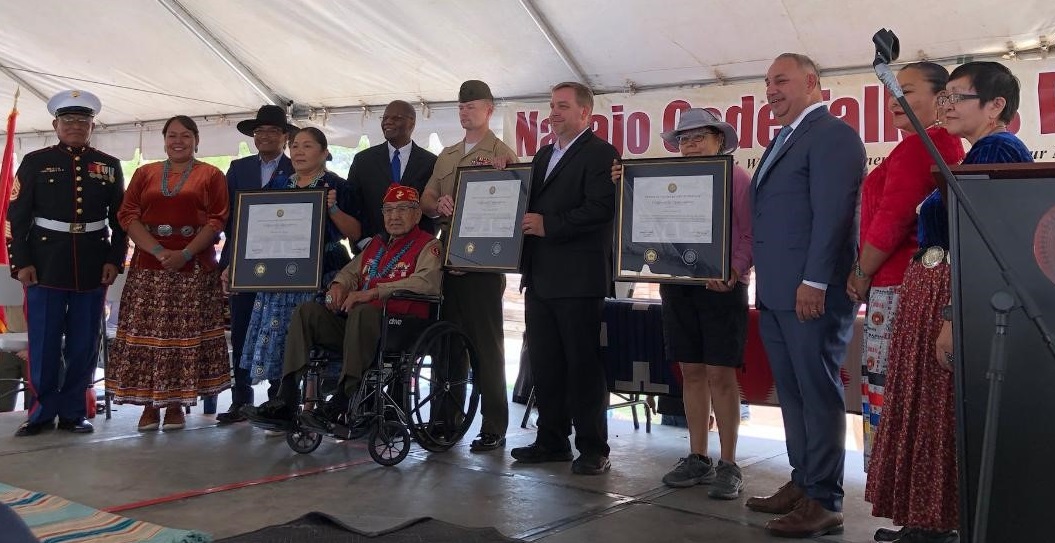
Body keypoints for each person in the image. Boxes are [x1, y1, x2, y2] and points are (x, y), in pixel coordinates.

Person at [866, 61, 1032, 543]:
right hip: (936, 287)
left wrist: (953, 318)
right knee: (931, 411)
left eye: (958, 96)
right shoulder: (982, 150)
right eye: (946, 97)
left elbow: (987, 245)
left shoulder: (998, 151)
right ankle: (930, 520)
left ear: (996, 105)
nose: (947, 106)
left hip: (952, 294)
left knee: (941, 412)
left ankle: (939, 522)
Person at [744, 53, 865, 538]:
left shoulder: (833, 135)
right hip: (776, 292)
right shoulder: (786, 138)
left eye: (781, 80)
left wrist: (814, 281)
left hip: (810, 292)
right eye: (767, 82)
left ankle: (825, 499)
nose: (770, 89)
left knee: (816, 395)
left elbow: (834, 215)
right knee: (791, 394)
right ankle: (804, 480)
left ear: (812, 83)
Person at [611, 108, 753, 498]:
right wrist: (627, 185)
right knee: (690, 371)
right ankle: (697, 456)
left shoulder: (736, 178)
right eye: (684, 139)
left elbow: (750, 234)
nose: (690, 146)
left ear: (718, 141)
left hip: (721, 289)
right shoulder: (664, 180)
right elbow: (643, 225)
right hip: (676, 287)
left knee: (721, 375)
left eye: (699, 138)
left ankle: (729, 462)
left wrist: (735, 270)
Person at [846, 63, 965, 472]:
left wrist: (861, 272)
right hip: (901, 283)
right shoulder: (927, 144)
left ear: (940, 99)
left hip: (899, 285)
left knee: (896, 393)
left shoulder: (925, 145)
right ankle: (912, 508)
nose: (895, 100)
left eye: (907, 91)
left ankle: (910, 501)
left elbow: (893, 218)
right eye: (893, 91)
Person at [243, 185, 441, 428]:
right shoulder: (377, 245)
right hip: (359, 328)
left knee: (362, 310)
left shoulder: (428, 245)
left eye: (402, 210)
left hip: (399, 328)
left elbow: (427, 283)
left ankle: (343, 400)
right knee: (307, 312)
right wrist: (338, 285)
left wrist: (372, 293)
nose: (394, 216)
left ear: (417, 214)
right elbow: (351, 272)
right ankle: (287, 396)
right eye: (388, 210)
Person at [509, 82, 619, 476]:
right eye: (551, 106)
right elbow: (525, 206)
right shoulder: (542, 155)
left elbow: (602, 209)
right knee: (546, 364)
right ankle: (551, 439)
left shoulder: (601, 153)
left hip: (578, 279)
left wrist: (549, 225)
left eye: (562, 106)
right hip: (539, 278)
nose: (553, 113)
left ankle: (593, 448)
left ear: (585, 113)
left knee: (582, 366)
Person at [7, 90, 127, 436]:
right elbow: (15, 216)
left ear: (92, 125)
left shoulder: (108, 164)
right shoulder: (34, 161)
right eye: (69, 121)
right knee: (43, 343)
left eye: (83, 121)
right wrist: (21, 263)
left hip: (91, 263)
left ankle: (75, 411)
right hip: (45, 264)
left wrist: (115, 260)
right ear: (55, 125)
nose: (76, 126)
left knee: (83, 343)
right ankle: (41, 411)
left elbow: (120, 220)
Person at [107, 115, 230, 432]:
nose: (179, 141)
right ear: (164, 139)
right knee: (149, 337)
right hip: (150, 267)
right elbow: (127, 215)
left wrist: (186, 253)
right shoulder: (145, 173)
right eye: (172, 135)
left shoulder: (211, 175)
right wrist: (160, 252)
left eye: (186, 136)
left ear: (196, 140)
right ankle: (148, 406)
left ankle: (175, 405)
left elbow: (217, 220)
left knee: (182, 338)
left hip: (194, 268)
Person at [420, 80, 518, 452]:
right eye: (461, 106)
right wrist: (436, 204)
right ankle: (445, 419)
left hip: (483, 265)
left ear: (489, 109)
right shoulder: (446, 155)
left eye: (472, 106)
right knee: (446, 344)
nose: (465, 112)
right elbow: (427, 197)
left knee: (486, 349)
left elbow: (517, 197)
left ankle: (494, 424)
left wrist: (506, 172)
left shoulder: (502, 152)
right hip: (446, 260)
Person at [237, 127, 358, 419]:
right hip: (279, 275)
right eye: (295, 146)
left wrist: (333, 210)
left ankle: (311, 404)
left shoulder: (336, 186)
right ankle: (282, 401)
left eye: (307, 146)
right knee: (279, 335)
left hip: (322, 271)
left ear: (324, 152)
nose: (299, 152)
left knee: (309, 338)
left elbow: (356, 233)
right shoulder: (279, 185)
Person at [215, 105, 296, 424]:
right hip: (243, 261)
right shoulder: (238, 168)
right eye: (259, 132)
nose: (264, 137)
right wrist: (229, 263)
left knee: (281, 329)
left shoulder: (295, 168)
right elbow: (226, 219)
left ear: (285, 137)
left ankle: (278, 400)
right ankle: (241, 400)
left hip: (283, 264)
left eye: (272, 132)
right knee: (242, 328)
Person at [347, 100, 437, 247]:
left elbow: (434, 211)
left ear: (411, 123)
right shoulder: (363, 161)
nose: (388, 122)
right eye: (385, 118)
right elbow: (352, 205)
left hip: (417, 252)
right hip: (370, 250)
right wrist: (362, 242)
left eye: (396, 118)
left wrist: (426, 243)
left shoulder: (431, 163)